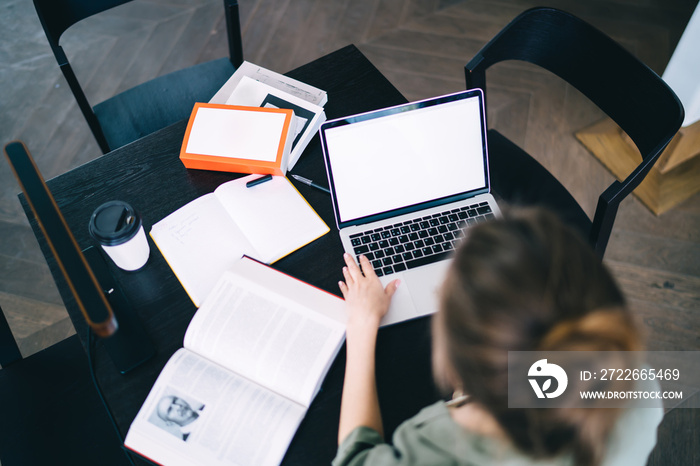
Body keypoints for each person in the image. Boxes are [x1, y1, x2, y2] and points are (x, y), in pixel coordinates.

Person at [334, 207, 661, 466]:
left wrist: (362, 324)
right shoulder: (640, 386)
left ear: (455, 360)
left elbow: (354, 458)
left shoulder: (437, 445)